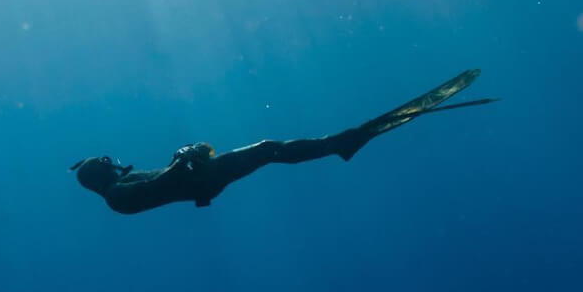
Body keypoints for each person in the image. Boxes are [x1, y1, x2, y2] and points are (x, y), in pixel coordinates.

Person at [71, 68, 495, 215]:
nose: (114, 163)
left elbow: (161, 180)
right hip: (199, 183)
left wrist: (183, 159)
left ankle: (341, 143)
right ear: (98, 175)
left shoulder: (118, 190)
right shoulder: (116, 197)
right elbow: (160, 186)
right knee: (268, 149)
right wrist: (183, 159)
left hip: (198, 181)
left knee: (269, 148)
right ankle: (341, 144)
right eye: (105, 163)